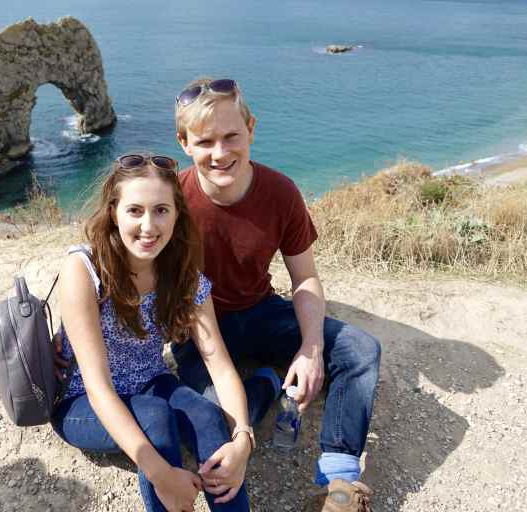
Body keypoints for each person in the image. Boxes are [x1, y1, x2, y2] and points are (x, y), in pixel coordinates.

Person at [171, 78, 382, 511]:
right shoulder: (171, 200)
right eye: (205, 141)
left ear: (251, 128)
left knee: (361, 350)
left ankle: (341, 485)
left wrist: (311, 346)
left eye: (231, 136)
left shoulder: (281, 192)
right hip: (197, 329)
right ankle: (264, 387)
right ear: (184, 143)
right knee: (213, 420)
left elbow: (305, 278)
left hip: (261, 310)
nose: (220, 152)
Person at [51, 153, 274, 512]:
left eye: (161, 210)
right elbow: (98, 387)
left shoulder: (185, 279)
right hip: (81, 401)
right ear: (114, 212)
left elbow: (220, 366)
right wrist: (161, 475)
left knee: (205, 415)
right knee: (156, 416)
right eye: (135, 210)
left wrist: (243, 441)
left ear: (177, 215)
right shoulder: (84, 269)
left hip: (151, 379)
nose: (148, 226)